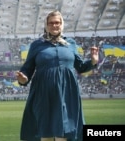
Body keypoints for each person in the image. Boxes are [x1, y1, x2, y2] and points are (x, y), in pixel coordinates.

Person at [16, 10, 99, 141]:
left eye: (58, 23)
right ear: (46, 25)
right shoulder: (37, 45)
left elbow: (81, 67)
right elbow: (27, 69)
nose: (55, 25)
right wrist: (23, 79)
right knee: (46, 131)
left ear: (62, 24)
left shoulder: (70, 43)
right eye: (51, 23)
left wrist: (93, 61)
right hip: (43, 92)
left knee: (64, 131)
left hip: (67, 92)